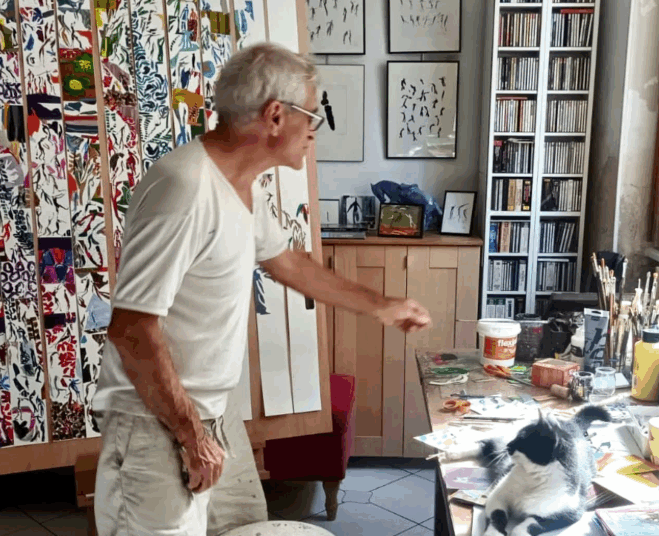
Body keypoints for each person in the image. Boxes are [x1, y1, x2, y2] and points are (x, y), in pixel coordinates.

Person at [91, 42, 432, 536]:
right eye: (311, 115)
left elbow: (288, 263)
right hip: (156, 422)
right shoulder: (185, 188)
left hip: (210, 412)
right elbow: (132, 329)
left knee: (241, 527)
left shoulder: (240, 186)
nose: (314, 130)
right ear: (275, 116)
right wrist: (191, 437)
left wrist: (381, 305)